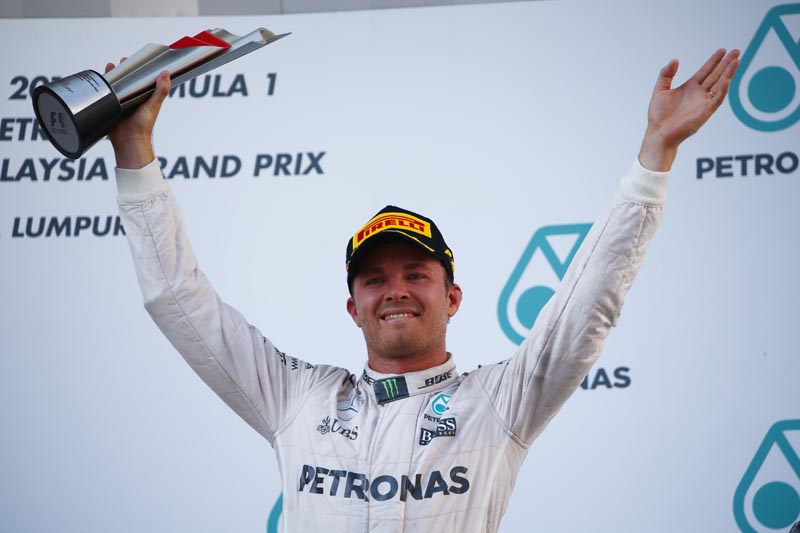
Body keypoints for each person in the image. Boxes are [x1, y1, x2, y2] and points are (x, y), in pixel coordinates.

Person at [107, 48, 739, 532]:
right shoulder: (297, 397)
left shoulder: (500, 401)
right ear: (353, 307)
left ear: (452, 297)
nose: (396, 291)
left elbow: (587, 303)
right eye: (375, 279)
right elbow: (176, 298)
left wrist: (655, 154)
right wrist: (135, 151)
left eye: (416, 274)